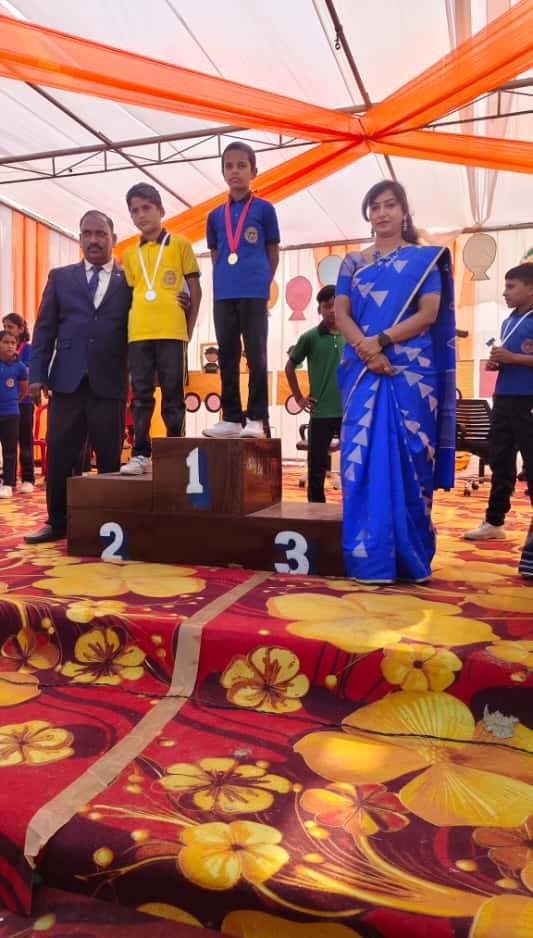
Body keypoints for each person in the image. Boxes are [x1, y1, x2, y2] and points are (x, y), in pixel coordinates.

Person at [334, 180, 455, 583]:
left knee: (412, 459)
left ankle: (411, 557)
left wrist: (382, 341)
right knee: (361, 457)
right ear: (368, 215)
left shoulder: (424, 260)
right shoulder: (353, 262)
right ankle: (369, 559)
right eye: (375, 206)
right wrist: (368, 351)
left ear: (404, 212)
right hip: (362, 371)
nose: (382, 213)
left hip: (411, 373)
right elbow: (341, 313)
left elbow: (429, 313)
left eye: (390, 205)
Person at [25, 210, 132, 543]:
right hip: (66, 383)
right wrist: (37, 375)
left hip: (109, 383)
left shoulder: (128, 280)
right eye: (87, 233)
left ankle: (109, 526)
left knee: (110, 459)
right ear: (80, 238)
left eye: (100, 233)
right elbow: (44, 331)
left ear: (113, 239)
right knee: (59, 455)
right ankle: (57, 521)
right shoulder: (60, 278)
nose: (93, 240)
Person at [120, 182, 201, 475]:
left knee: (173, 395)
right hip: (139, 333)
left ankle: (175, 452)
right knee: (141, 396)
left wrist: (188, 331)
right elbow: (130, 295)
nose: (141, 215)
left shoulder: (180, 244)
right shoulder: (129, 254)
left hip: (172, 332)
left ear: (161, 210)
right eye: (135, 211)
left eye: (147, 208)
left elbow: (196, 291)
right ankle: (140, 453)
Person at [203, 142, 280, 439]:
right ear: (223, 172)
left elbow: (272, 253)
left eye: (241, 165)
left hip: (254, 293)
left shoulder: (265, 210)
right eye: (229, 166)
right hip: (224, 294)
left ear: (254, 171)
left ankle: (256, 418)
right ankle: (232, 418)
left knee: (256, 354)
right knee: (227, 355)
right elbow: (216, 255)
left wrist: (261, 283)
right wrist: (228, 277)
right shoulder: (214, 216)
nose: (235, 171)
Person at [464, 263, 533, 541]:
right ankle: (494, 522)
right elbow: (513, 358)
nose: (505, 293)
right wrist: (499, 363)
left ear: (531, 288)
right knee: (500, 460)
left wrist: (513, 358)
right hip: (503, 397)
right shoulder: (509, 321)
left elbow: (519, 358)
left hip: (528, 400)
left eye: (511, 286)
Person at [285, 284, 345, 502]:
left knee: (356, 465)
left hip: (349, 413)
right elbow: (289, 367)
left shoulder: (352, 335)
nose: (332, 311)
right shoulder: (309, 337)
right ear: (319, 309)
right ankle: (315, 511)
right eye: (327, 306)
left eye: (336, 305)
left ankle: (354, 513)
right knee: (316, 469)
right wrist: (299, 398)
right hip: (320, 414)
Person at [2, 312, 34, 492]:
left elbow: (28, 372)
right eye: (5, 327)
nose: (7, 329)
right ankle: (9, 479)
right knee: (9, 442)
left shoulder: (28, 349)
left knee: (25, 439)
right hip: (7, 405)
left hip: (24, 401)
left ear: (21, 329)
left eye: (11, 327)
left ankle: (28, 478)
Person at [0, 330, 28, 498]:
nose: (10, 346)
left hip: (11, 413)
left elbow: (23, 391)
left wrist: (11, 402)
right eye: (6, 342)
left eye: (13, 343)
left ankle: (8, 484)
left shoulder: (20, 367)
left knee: (10, 450)